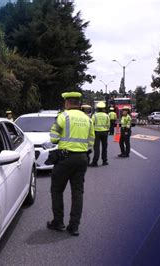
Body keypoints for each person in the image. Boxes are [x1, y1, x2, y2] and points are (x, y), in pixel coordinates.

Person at [47, 91, 95, 236]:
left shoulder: (63, 117)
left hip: (65, 159)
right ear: (79, 104)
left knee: (56, 190)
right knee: (77, 193)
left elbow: (53, 139)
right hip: (82, 159)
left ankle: (58, 222)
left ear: (67, 103)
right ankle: (74, 227)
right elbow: (91, 141)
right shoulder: (88, 119)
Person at [90, 101, 110, 166]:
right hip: (105, 133)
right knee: (104, 147)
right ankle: (104, 161)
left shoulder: (94, 115)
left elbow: (91, 124)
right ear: (104, 108)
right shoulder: (107, 116)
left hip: (97, 133)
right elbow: (108, 125)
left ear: (97, 108)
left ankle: (95, 162)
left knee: (96, 148)